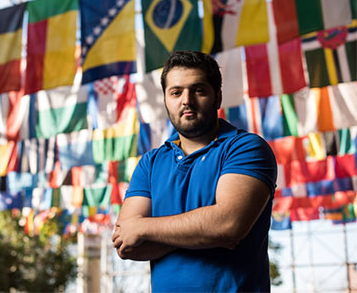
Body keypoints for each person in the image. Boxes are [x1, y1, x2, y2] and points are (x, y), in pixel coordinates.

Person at [112, 50, 277, 292]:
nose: (186, 100)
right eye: (176, 92)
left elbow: (228, 225)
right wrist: (204, 232)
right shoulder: (150, 163)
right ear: (166, 99)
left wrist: (144, 227)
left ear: (217, 97)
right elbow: (127, 245)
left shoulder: (247, 148)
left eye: (198, 90)